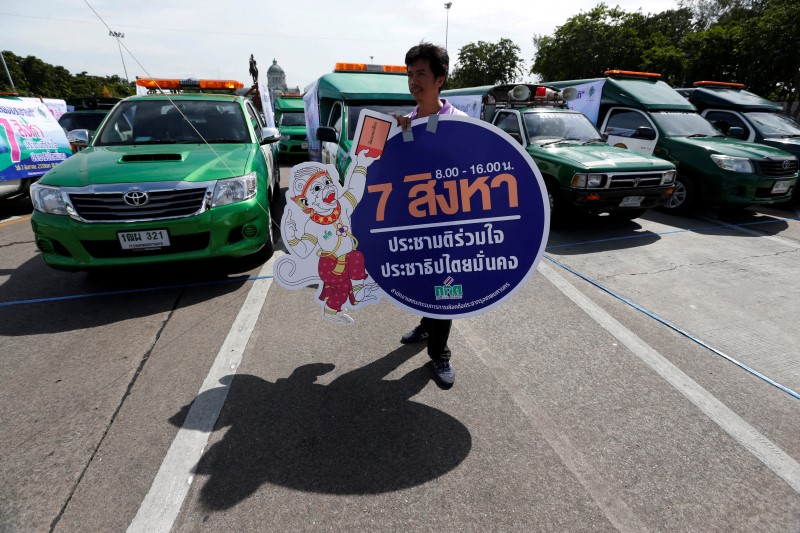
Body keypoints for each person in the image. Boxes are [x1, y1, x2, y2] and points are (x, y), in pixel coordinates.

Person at [393, 42, 466, 389]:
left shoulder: (460, 124)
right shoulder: (408, 123)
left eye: (421, 74)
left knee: (447, 289)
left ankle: (440, 355)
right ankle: (426, 325)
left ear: (440, 79)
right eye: (410, 74)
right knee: (424, 282)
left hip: (448, 228)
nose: (414, 81)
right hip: (417, 226)